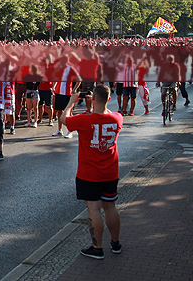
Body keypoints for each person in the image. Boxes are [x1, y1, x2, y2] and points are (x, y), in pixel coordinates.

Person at [61, 84, 123, 260]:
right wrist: (100, 103)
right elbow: (107, 111)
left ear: (92, 99)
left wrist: (71, 102)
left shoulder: (84, 120)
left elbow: (64, 119)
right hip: (110, 172)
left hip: (89, 174)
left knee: (94, 209)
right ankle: (116, 243)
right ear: (109, 99)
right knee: (110, 207)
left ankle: (97, 248)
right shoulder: (117, 118)